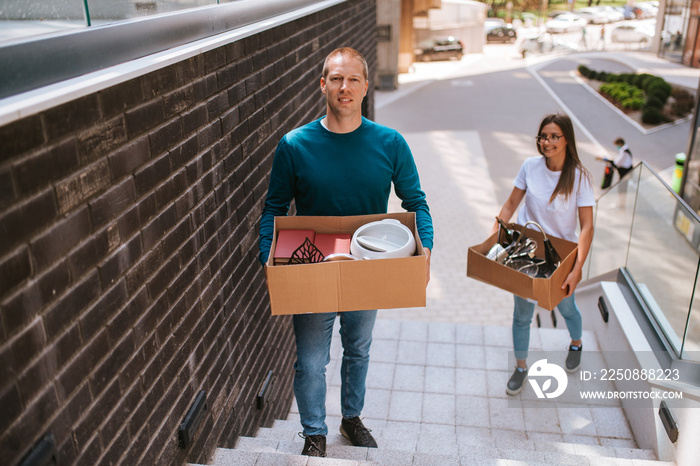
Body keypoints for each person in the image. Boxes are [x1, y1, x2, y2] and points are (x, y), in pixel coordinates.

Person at [258, 47, 433, 457]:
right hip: (311, 264)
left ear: (366, 87)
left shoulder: (389, 143)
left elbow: (417, 203)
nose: (344, 87)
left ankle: (351, 419)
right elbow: (273, 209)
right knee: (311, 361)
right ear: (323, 84)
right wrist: (269, 259)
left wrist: (427, 252)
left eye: (353, 79)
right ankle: (314, 434)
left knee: (358, 349)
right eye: (336, 78)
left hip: (369, 265)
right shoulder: (295, 145)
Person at [491, 113, 595, 396]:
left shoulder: (579, 177)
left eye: (553, 136)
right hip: (526, 251)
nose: (547, 142)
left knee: (567, 308)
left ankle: (576, 343)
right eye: (543, 136)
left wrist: (578, 267)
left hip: (561, 258)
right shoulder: (530, 166)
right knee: (522, 314)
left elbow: (587, 226)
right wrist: (495, 233)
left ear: (566, 140)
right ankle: (521, 366)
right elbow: (512, 202)